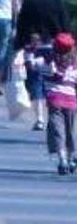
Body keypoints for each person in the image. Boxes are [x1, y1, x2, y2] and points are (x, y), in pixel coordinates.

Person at [17, 0, 69, 130]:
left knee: (35, 81)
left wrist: (19, 43)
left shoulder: (29, 1)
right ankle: (55, 113)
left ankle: (39, 118)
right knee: (55, 79)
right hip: (54, 46)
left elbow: (22, 24)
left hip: (33, 46)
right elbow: (65, 24)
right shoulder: (57, 1)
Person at [35, 33, 77, 173]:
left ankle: (63, 159)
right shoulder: (74, 66)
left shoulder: (46, 63)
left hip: (55, 101)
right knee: (69, 131)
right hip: (71, 102)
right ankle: (71, 158)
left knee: (58, 131)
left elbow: (31, 64)